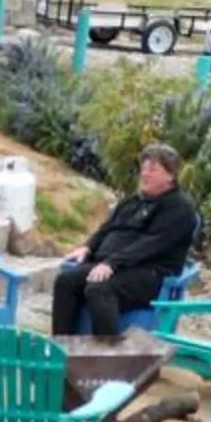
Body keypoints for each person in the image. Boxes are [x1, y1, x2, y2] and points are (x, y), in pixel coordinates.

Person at [50, 143, 199, 340]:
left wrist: (112, 263)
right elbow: (107, 228)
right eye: (143, 168)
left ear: (170, 175)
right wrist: (87, 247)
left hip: (150, 273)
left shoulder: (179, 208)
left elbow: (151, 244)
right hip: (116, 266)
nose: (145, 174)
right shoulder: (133, 202)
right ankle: (62, 346)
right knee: (66, 281)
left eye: (152, 169)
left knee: (99, 289)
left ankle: (109, 355)